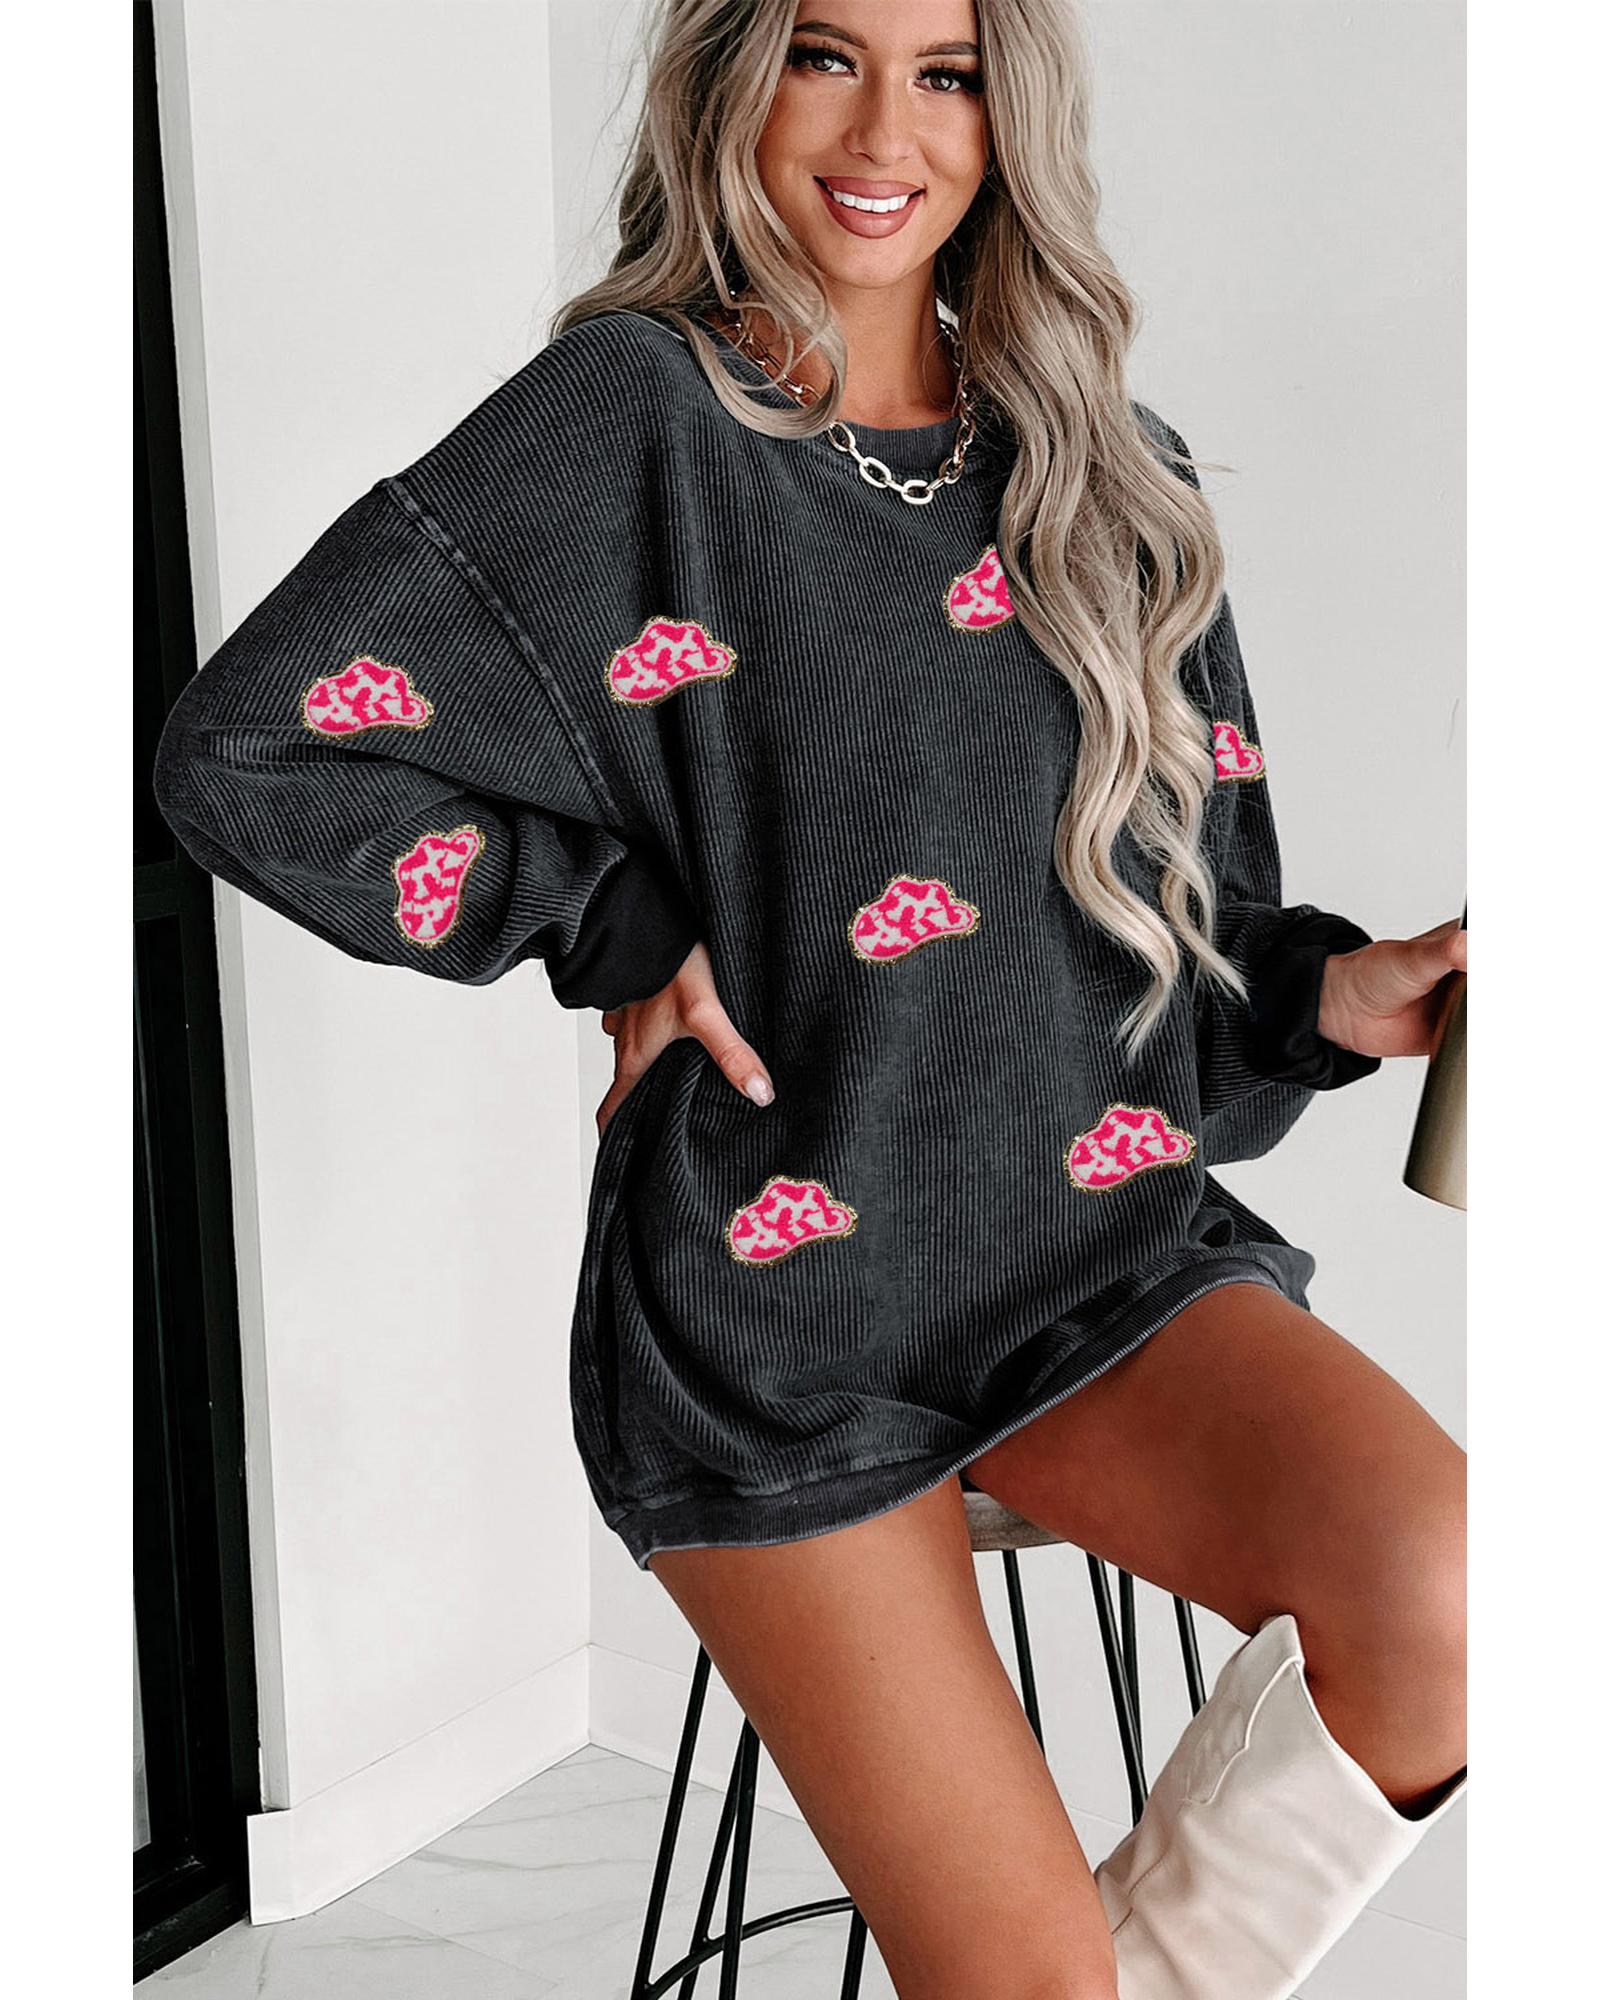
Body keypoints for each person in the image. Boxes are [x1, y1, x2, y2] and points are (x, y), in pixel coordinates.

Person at [150, 2, 1467, 1994]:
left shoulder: (1114, 474)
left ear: (1007, 117)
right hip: (778, 1320)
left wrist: (1332, 1002)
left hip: (1095, 1257)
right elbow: (251, 750)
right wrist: (599, 924)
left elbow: (1196, 992)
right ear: (732, 78)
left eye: (946, 73)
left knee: (1457, 1591)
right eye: (823, 54)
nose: (882, 133)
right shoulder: (633, 419)